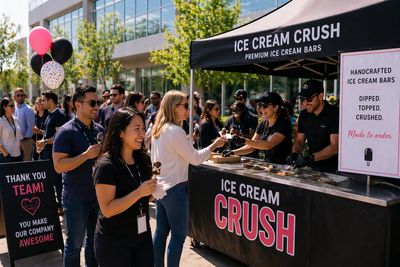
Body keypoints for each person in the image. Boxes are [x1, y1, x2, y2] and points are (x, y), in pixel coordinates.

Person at [151, 90, 225, 267]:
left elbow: (156, 161)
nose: (188, 108)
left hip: (161, 187)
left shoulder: (158, 129)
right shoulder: (174, 130)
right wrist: (215, 145)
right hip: (175, 189)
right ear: (173, 107)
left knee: (161, 232)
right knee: (178, 235)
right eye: (185, 105)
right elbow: (196, 159)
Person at [93, 107, 157, 266]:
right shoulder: (106, 166)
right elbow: (107, 209)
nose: (142, 134)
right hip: (114, 241)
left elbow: (144, 197)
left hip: (142, 236)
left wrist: (154, 191)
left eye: (143, 128)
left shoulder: (143, 160)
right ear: (120, 132)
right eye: (137, 129)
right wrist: (139, 192)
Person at [53, 86, 104, 267]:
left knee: (94, 241)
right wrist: (85, 156)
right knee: (74, 245)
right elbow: (58, 166)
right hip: (76, 197)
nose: (96, 106)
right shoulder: (65, 132)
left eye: (97, 102)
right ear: (77, 104)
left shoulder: (99, 129)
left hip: (98, 196)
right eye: (92, 103)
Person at [287, 79, 339, 172]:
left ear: (321, 96)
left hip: (334, 170)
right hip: (312, 169)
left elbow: (335, 147)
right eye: (302, 99)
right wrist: (294, 154)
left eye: (309, 99)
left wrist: (310, 158)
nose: (305, 103)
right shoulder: (304, 115)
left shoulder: (334, 114)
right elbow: (299, 141)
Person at [232, 92, 292, 164]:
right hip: (269, 166)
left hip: (284, 168)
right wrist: (232, 152)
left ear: (275, 107)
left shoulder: (283, 124)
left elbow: (268, 145)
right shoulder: (262, 124)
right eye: (260, 105)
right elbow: (251, 147)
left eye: (265, 106)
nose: (261, 109)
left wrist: (244, 140)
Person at [36, 91, 68, 214]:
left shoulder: (59, 115)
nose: (42, 102)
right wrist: (42, 145)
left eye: (44, 100)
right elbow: (48, 134)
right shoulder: (49, 114)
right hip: (46, 153)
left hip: (55, 155)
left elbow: (59, 137)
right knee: (47, 181)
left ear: (50, 100)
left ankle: (60, 206)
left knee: (57, 181)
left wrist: (44, 142)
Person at [13, 88, 35, 161]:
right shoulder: (12, 108)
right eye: (18, 95)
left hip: (26, 141)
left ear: (25, 96)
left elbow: (31, 128)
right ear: (14, 97)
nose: (20, 97)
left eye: (22, 95)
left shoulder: (28, 109)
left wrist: (22, 140)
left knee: (26, 165)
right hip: (14, 142)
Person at [0, 98, 23, 163]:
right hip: (6, 157)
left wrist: (21, 151)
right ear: (4, 107)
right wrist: (6, 155)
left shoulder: (16, 119)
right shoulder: (1, 121)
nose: (14, 107)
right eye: (11, 106)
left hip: (18, 155)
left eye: (14, 105)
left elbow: (19, 138)